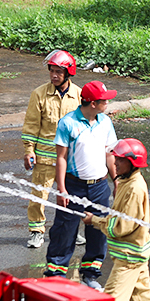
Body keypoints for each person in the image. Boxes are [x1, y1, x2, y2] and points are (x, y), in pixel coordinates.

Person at [82, 138, 150, 301]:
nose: (115, 163)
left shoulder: (134, 188)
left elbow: (122, 227)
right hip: (134, 252)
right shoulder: (127, 182)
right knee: (141, 293)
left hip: (130, 256)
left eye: (120, 159)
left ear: (133, 162)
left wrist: (95, 221)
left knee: (111, 300)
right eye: (115, 158)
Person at [46, 80, 118, 288]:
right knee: (64, 230)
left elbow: (109, 153)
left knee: (98, 230)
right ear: (93, 103)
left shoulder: (105, 122)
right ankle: (56, 275)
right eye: (104, 100)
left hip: (98, 186)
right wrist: (62, 189)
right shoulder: (68, 123)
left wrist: (116, 181)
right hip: (74, 185)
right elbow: (61, 157)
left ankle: (91, 274)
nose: (107, 104)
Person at [21, 50, 81, 248]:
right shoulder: (39, 94)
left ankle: (72, 231)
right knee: (39, 197)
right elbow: (31, 125)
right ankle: (36, 232)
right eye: (51, 71)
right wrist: (29, 150)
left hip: (71, 158)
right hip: (45, 158)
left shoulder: (79, 95)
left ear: (68, 73)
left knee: (71, 197)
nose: (54, 75)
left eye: (58, 72)